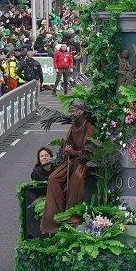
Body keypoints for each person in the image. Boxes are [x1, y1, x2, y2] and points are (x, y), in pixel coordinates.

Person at [41, 100, 95, 234]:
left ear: (82, 111)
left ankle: (72, 217)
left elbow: (88, 152)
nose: (71, 113)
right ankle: (54, 218)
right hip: (70, 161)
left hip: (82, 162)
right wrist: (66, 149)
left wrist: (74, 152)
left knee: (77, 179)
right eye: (70, 110)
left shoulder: (89, 128)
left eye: (74, 110)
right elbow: (68, 145)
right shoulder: (72, 129)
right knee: (53, 178)